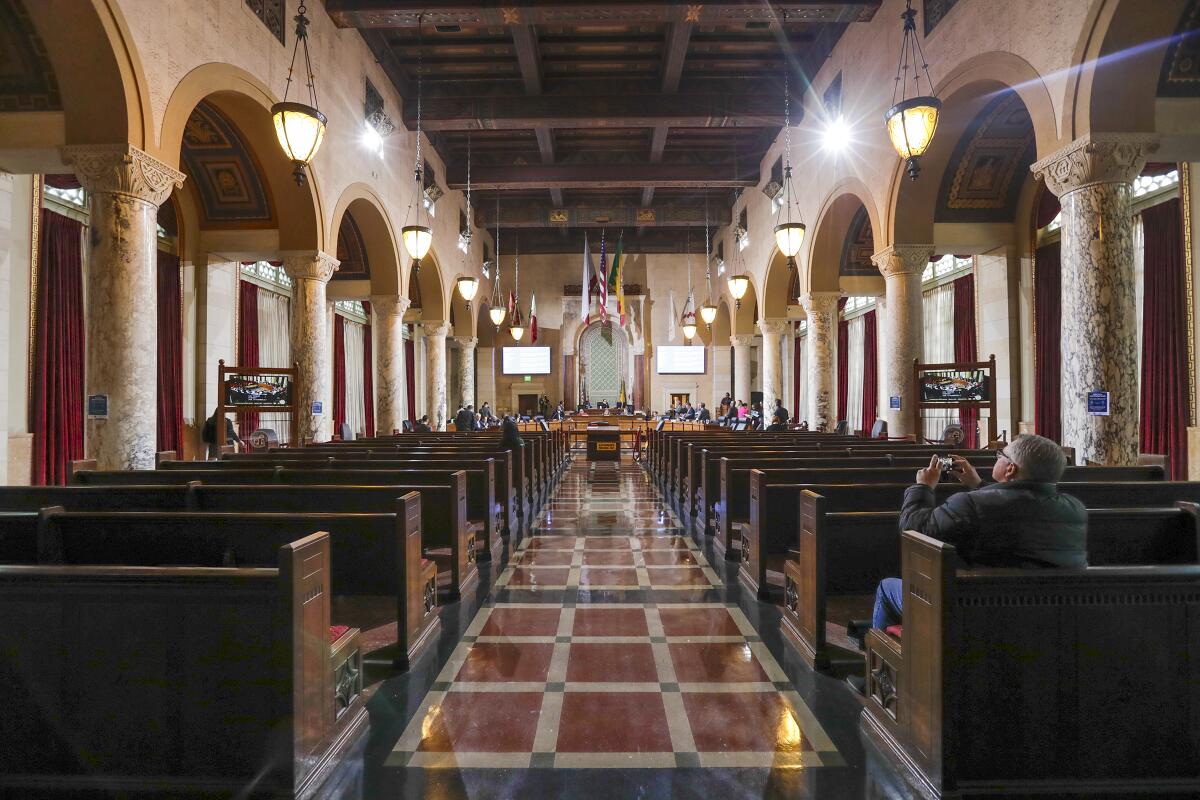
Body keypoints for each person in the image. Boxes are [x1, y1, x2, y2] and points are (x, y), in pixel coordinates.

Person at [870, 434, 1087, 635]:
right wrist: (978, 485)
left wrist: (923, 487)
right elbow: (1014, 505)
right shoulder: (1075, 508)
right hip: (1047, 617)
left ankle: (885, 663)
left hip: (971, 613)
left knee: (887, 587)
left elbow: (912, 530)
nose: (998, 457)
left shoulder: (970, 504)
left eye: (1000, 455)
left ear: (1010, 469)